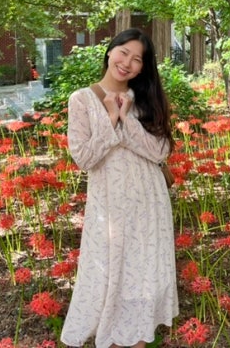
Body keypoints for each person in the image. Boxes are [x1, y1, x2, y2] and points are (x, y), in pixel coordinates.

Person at [60, 28, 179, 348]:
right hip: (109, 206)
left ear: (142, 68)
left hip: (149, 203)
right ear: (110, 51)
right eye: (123, 52)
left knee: (142, 279)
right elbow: (85, 158)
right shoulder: (82, 99)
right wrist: (111, 120)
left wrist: (126, 119)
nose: (127, 63)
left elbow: (159, 152)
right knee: (110, 277)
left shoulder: (145, 100)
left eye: (137, 59)